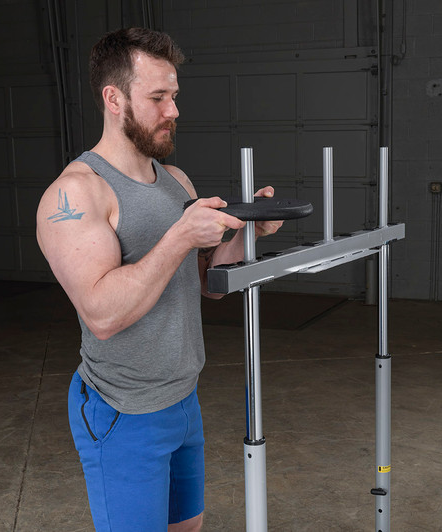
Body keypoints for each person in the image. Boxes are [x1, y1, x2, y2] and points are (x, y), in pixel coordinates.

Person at [36, 27, 282, 532]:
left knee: (186, 527)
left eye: (174, 96)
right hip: (122, 408)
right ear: (114, 98)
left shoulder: (176, 182)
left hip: (182, 398)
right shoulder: (77, 193)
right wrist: (178, 236)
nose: (173, 110)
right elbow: (102, 315)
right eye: (158, 97)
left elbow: (207, 283)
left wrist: (246, 234)